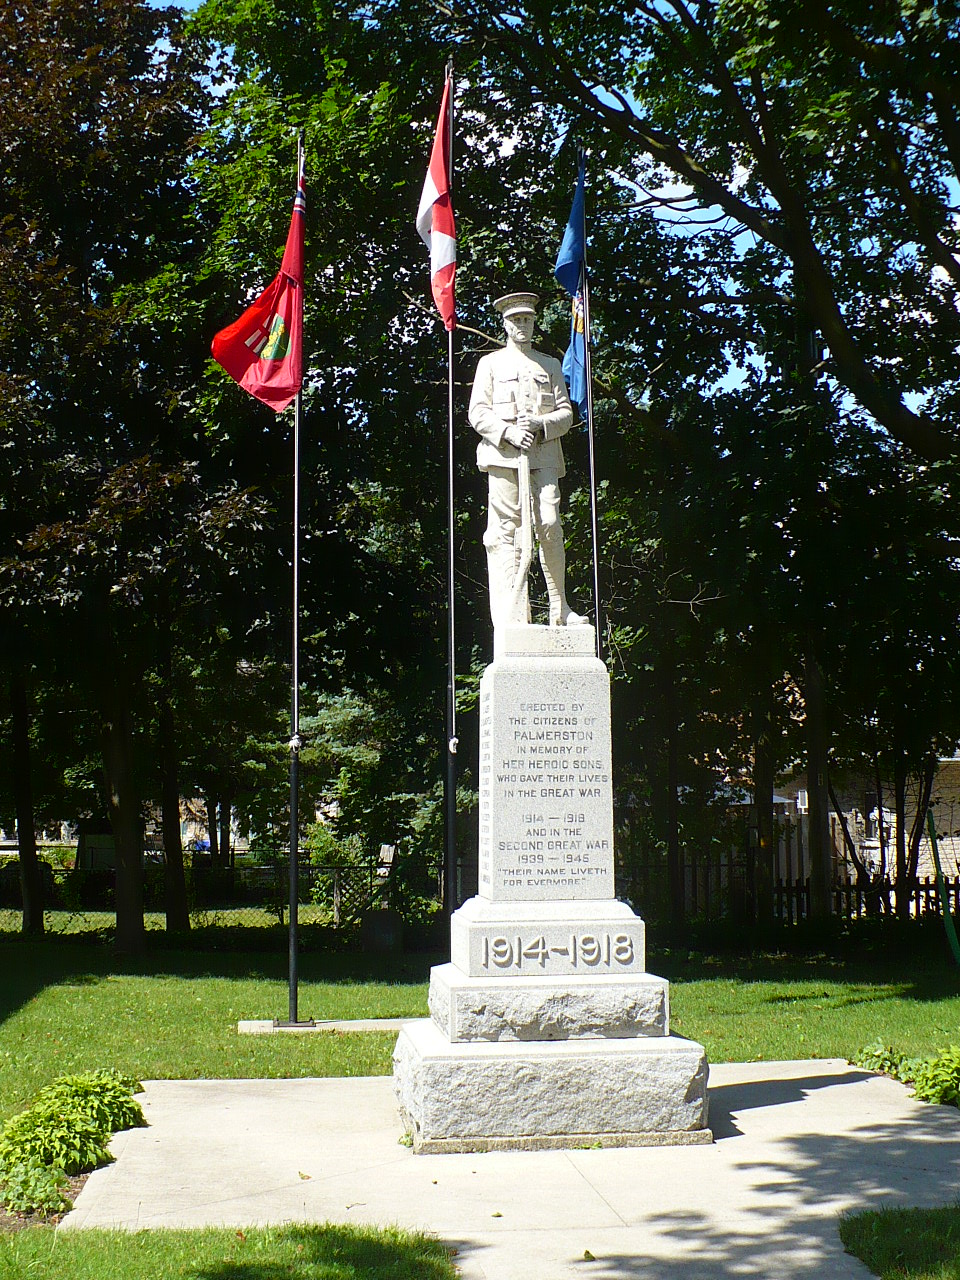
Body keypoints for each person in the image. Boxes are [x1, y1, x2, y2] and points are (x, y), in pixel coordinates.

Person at [469, 291, 588, 628]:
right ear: (505, 324)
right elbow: (477, 412)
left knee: (549, 523)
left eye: (527, 319)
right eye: (516, 320)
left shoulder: (549, 365)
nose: (522, 325)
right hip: (504, 459)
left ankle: (559, 607)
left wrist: (541, 425)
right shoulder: (490, 364)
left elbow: (566, 412)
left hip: (544, 455)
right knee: (507, 531)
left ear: (534, 322)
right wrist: (507, 433)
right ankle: (514, 610)